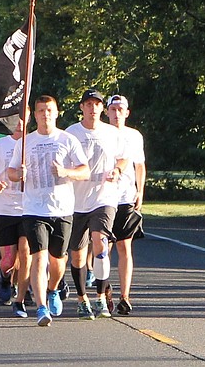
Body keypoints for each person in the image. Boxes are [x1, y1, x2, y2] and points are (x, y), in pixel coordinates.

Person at [7, 95, 90, 327]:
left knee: (57, 259)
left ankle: (53, 288)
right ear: (35, 115)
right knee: (39, 257)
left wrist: (66, 172)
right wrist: (18, 175)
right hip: (34, 208)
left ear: (57, 112)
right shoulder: (25, 142)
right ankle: (42, 307)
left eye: (49, 110)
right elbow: (11, 172)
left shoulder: (67, 139)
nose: (45, 114)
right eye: (41, 110)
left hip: (62, 207)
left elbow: (85, 170)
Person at [65, 89, 128, 320]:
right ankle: (82, 300)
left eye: (97, 104)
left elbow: (124, 156)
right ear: (81, 107)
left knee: (100, 241)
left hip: (104, 197)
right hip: (76, 201)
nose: (93, 108)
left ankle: (101, 296)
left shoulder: (111, 133)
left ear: (102, 108)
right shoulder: (71, 133)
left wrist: (117, 169)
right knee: (78, 257)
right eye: (88, 104)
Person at [0, 110, 32, 318]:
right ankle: (4, 275)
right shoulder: (0, 146)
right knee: (9, 258)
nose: (20, 124)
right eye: (16, 120)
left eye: (24, 119)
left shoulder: (34, 143)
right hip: (3, 207)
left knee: (26, 251)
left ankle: (23, 291)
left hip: (28, 207)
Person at [106, 95, 146, 315]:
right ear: (107, 112)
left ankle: (125, 296)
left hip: (126, 197)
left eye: (121, 109)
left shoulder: (134, 136)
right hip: (104, 199)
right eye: (113, 109)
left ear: (127, 112)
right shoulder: (102, 133)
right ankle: (105, 289)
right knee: (103, 248)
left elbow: (139, 165)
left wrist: (140, 191)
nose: (117, 113)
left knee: (124, 246)